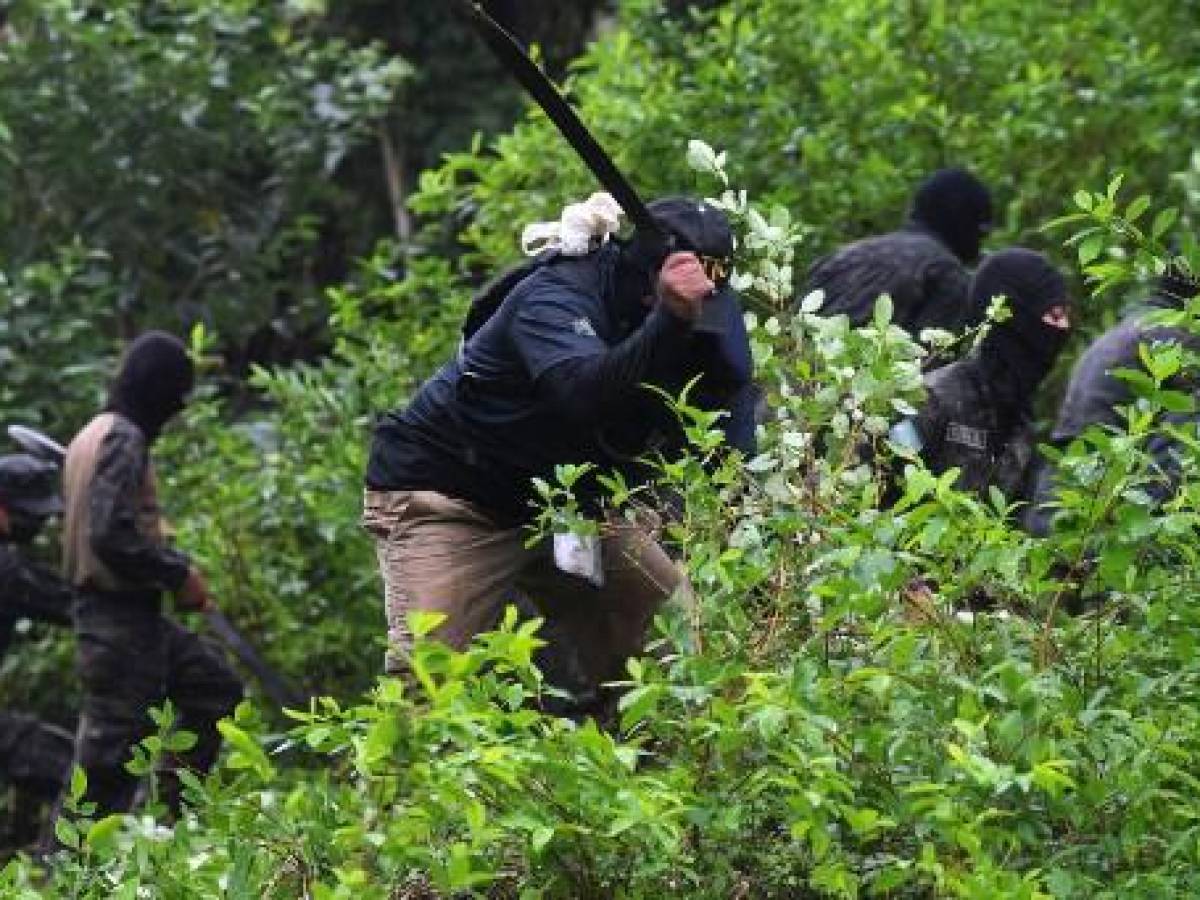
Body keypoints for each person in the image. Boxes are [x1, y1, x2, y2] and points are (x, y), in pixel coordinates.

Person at [363, 197, 755, 702]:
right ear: (645, 283)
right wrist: (668, 322)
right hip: (454, 499)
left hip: (573, 506)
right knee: (429, 691)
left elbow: (731, 405)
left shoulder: (706, 313)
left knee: (686, 659)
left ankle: (650, 771)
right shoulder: (557, 295)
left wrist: (736, 521)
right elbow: (582, 395)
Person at [58, 331, 242, 816]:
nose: (177, 410)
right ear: (156, 389)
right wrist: (177, 573)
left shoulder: (91, 434)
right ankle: (50, 883)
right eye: (175, 397)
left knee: (215, 686)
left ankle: (170, 823)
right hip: (115, 624)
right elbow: (109, 534)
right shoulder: (122, 437)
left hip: (128, 620)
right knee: (103, 775)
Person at [1026, 263, 1200, 533]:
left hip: (1058, 504)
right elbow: (1173, 464)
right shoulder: (1180, 341)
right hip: (1105, 525)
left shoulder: (1133, 326)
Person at [893, 248, 1071, 502]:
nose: (1064, 328)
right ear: (1014, 316)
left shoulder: (1019, 420)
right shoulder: (930, 400)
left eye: (1066, 315)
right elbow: (877, 482)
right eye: (1054, 315)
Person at [803, 167, 993, 335]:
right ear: (966, 225)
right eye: (981, 232)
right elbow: (931, 366)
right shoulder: (944, 272)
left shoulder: (842, 255)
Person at [0, 454, 75, 807]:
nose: (37, 522)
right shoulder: (8, 571)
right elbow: (74, 606)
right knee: (75, 778)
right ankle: (60, 861)